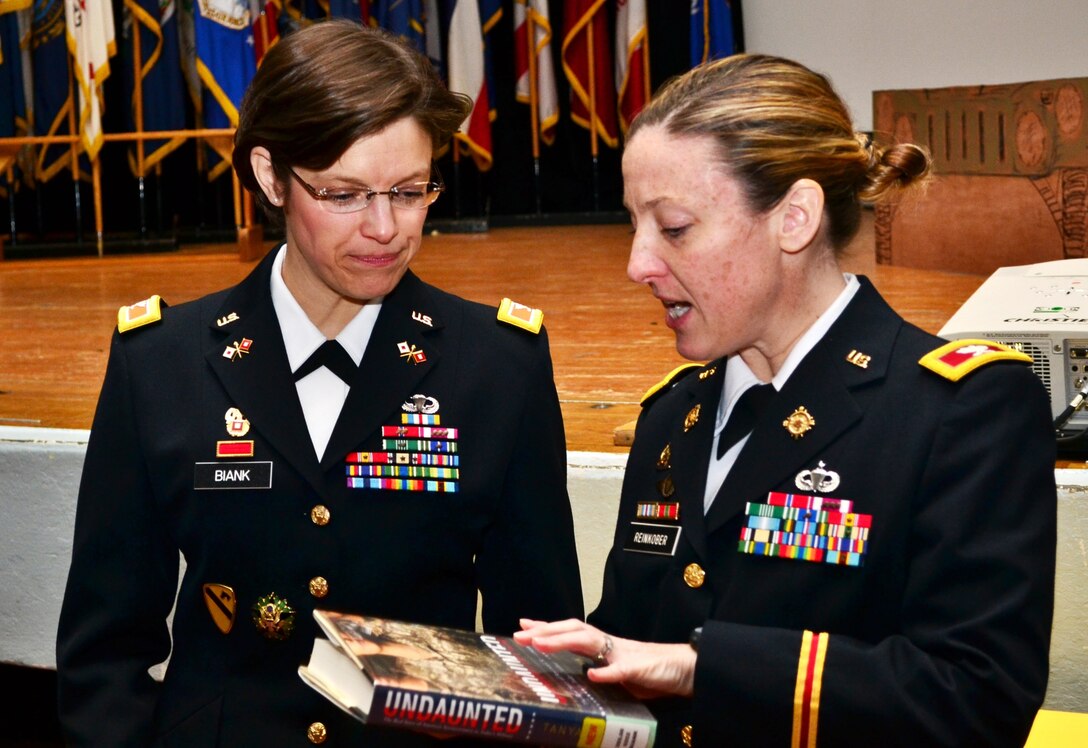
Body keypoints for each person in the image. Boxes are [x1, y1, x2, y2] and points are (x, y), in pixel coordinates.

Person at [56, 19, 583, 747]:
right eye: (343, 195)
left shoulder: (497, 365)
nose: (384, 227)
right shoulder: (161, 361)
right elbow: (103, 653)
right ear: (271, 176)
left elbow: (535, 655)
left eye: (409, 190)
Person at [515, 54, 1056, 748]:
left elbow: (978, 700)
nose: (638, 265)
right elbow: (634, 654)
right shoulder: (671, 417)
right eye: (634, 226)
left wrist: (702, 670)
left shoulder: (962, 409)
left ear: (795, 218)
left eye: (674, 228)